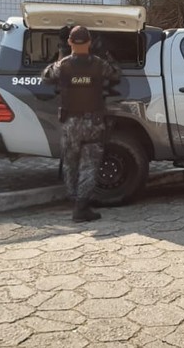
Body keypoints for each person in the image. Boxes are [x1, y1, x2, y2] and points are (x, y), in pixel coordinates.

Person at [41, 25, 122, 223]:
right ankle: (82, 207)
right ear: (90, 42)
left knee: (70, 163)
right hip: (93, 122)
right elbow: (116, 74)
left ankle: (76, 201)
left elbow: (46, 77)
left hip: (71, 123)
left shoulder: (63, 65)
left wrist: (61, 54)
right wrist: (106, 54)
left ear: (69, 42)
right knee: (89, 165)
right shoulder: (99, 64)